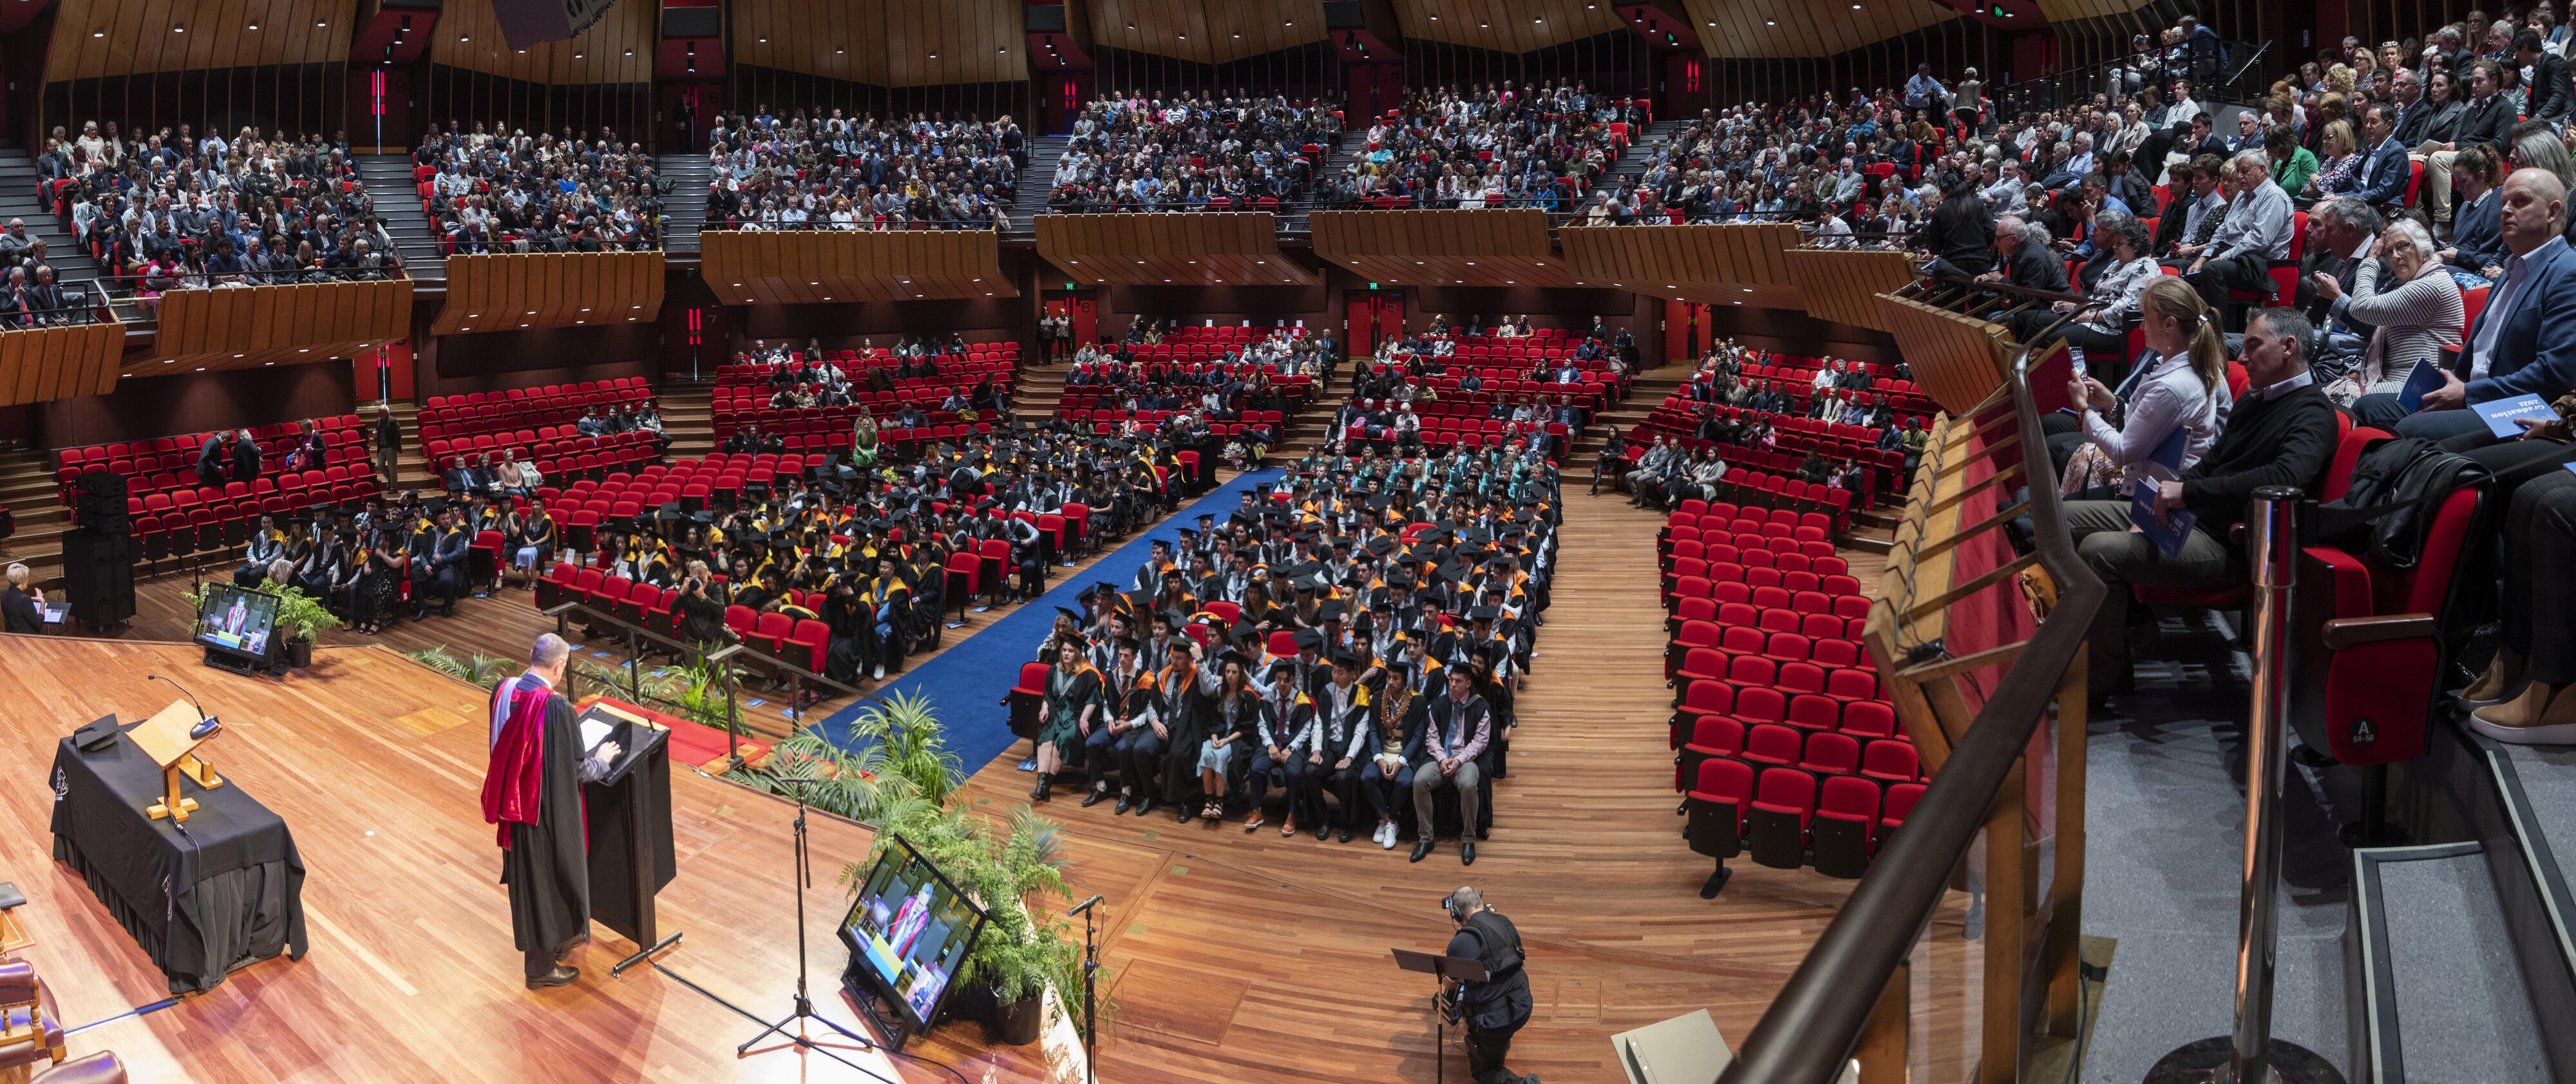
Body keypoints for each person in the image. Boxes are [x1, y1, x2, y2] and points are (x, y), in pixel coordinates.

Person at [2065, 307, 2337, 701]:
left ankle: (2100, 681)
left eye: (2253, 346)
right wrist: (2172, 493)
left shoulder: (2313, 412)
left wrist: (2187, 494)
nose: (2241, 358)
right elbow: (2212, 462)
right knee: (2059, 517)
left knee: (2097, 551)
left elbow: (2284, 479)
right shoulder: (2256, 400)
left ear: (2288, 348)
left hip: (2229, 542)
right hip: (2191, 515)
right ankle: (2105, 637)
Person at [2356, 167, 2576, 441]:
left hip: (2513, 407)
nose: (2506, 210)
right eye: (2504, 203)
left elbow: (2555, 372)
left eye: (2520, 202)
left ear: (2552, 212)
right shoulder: (2510, 270)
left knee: (2411, 429)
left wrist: (2468, 394)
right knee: (2367, 407)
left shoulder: (2567, 272)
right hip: (2471, 390)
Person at [480, 633, 621, 989]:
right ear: (559, 667)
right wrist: (602, 761)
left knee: (530, 886)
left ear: (532, 657)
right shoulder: (555, 707)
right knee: (544, 885)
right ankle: (540, 970)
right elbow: (578, 769)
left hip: (511, 810)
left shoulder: (504, 691)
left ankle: (557, 944)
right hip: (540, 814)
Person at [2058, 277, 2226, 497]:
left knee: (2067, 507)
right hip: (2146, 479)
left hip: (2153, 497)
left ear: (2170, 324)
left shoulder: (2174, 385)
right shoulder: (2172, 365)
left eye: (2146, 318)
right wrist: (2110, 402)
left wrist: (2084, 409)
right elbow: (2146, 425)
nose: (2141, 326)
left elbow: (2123, 451)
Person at [2313, 218, 2464, 406]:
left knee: (2326, 401)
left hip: (2417, 387)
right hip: (2392, 378)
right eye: (2388, 252)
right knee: (2316, 395)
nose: (2395, 256)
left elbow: (2361, 307)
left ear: (2425, 251)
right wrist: (2360, 370)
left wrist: (2371, 260)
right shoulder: (2414, 282)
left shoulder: (2432, 285)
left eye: (2402, 246)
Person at [1441, 886, 1537, 1084]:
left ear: (1457, 914)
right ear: (1480, 903)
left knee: (1483, 1072)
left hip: (1495, 1020)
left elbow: (1449, 985)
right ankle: (1498, 1044)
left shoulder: (1460, 943)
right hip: (1523, 1003)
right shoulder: (1504, 921)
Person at [1411, 667, 1492, 865]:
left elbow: (1480, 742)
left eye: (1458, 681)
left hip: (1466, 759)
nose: (1453, 685)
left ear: (1468, 684)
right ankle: (1426, 838)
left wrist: (1458, 760)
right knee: (1420, 781)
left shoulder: (1480, 706)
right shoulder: (1439, 704)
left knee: (1467, 784)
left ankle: (1468, 839)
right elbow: (1431, 737)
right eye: (1451, 681)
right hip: (1441, 757)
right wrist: (1442, 759)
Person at [3, 562, 42, 634]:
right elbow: (38, 624)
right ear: (22, 580)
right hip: (25, 637)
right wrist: (42, 602)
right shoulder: (24, 599)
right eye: (27, 577)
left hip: (10, 634)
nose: (28, 579)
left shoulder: (5, 593)